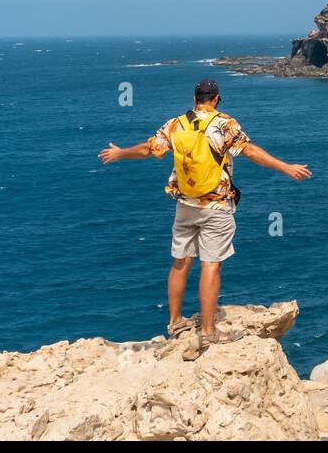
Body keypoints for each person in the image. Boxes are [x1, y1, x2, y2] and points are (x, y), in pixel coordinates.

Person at [98, 78, 311, 352]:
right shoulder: (224, 123)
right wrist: (286, 167)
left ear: (194, 97)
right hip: (216, 206)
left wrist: (119, 153)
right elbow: (250, 151)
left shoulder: (176, 123)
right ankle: (209, 332)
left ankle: (175, 322)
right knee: (210, 265)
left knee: (180, 261)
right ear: (217, 98)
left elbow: (149, 149)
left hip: (185, 204)